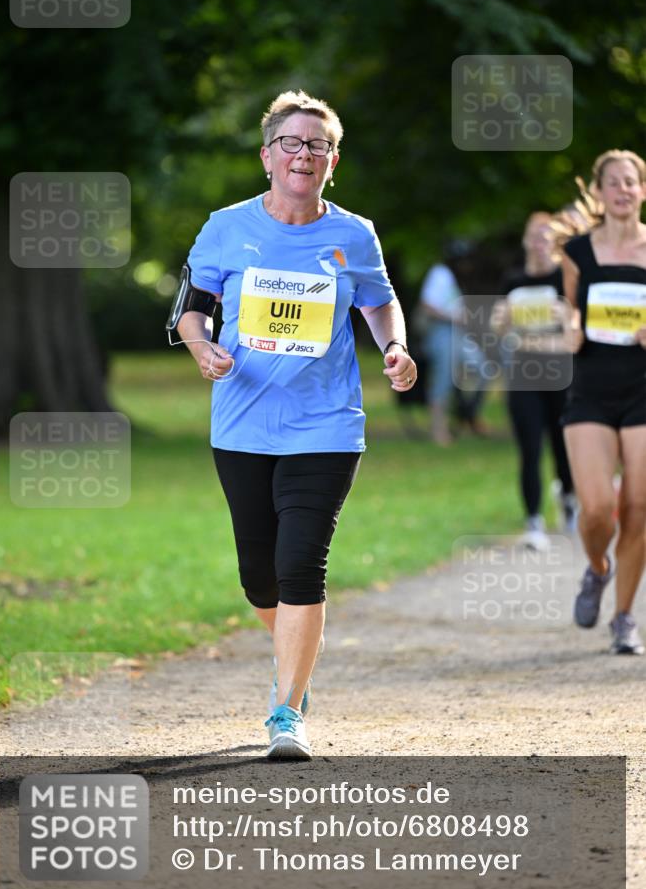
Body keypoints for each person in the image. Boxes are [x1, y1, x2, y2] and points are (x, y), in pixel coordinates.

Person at [171, 90, 417, 757]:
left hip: (326, 425)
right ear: (266, 156)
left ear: (331, 162)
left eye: (316, 145)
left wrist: (393, 347)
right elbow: (189, 310)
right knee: (260, 576)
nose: (302, 154)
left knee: (300, 562)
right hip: (243, 423)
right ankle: (295, 671)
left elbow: (379, 303)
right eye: (291, 143)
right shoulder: (225, 226)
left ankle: (285, 713)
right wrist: (202, 346)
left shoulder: (352, 234)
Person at [558, 150, 646, 655]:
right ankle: (598, 569)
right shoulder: (576, 251)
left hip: (642, 389)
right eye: (612, 182)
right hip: (591, 387)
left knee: (638, 507)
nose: (622, 189)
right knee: (597, 511)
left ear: (641, 190)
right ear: (599, 192)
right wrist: (569, 327)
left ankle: (626, 618)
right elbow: (570, 312)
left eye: (630, 181)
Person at [490, 212, 576, 551]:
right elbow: (499, 330)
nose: (539, 242)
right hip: (524, 373)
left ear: (555, 244)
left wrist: (565, 316)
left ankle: (569, 499)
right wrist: (503, 320)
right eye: (534, 235)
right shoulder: (513, 282)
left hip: (561, 375)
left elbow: (576, 333)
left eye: (547, 236)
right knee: (529, 447)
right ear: (526, 240)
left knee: (562, 445)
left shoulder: (565, 279)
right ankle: (534, 521)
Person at [419, 240, 488, 445]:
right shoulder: (440, 274)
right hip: (442, 333)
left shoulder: (454, 278)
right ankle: (438, 430)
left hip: (458, 333)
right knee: (443, 380)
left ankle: (468, 414)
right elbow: (427, 306)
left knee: (484, 369)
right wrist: (453, 317)